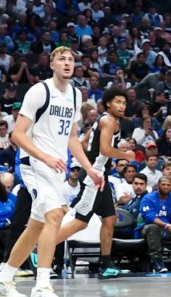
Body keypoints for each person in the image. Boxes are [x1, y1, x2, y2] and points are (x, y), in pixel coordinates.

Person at [0, 47, 103, 297]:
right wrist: (45, 157)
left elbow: (72, 138)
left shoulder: (75, 94)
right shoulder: (40, 91)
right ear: (51, 65)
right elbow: (17, 135)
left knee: (37, 224)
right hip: (34, 164)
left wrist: (90, 168)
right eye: (61, 59)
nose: (67, 62)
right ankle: (42, 286)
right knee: (55, 215)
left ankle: (3, 279)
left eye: (71, 59)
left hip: (55, 166)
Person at [55, 87, 133, 280]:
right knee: (80, 222)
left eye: (124, 103)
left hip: (100, 175)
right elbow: (106, 149)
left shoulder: (102, 121)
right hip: (94, 178)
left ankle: (105, 265)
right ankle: (39, 249)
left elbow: (83, 143)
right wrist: (125, 155)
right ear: (108, 103)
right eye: (117, 102)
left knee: (109, 219)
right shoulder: (108, 121)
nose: (122, 106)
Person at [138, 176, 171, 273]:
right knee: (152, 227)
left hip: (168, 228)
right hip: (148, 228)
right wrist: (166, 225)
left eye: (168, 185)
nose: (165, 187)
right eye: (163, 184)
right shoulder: (148, 198)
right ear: (158, 186)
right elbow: (150, 217)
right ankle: (157, 261)